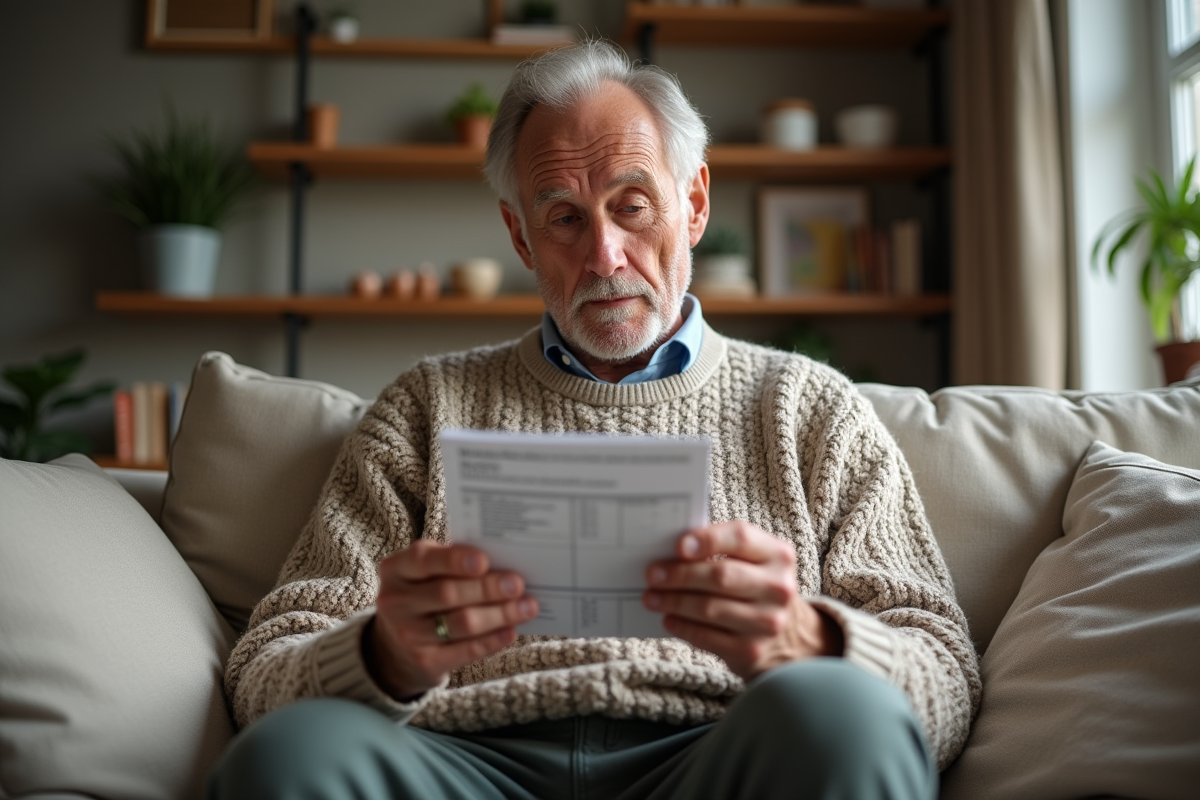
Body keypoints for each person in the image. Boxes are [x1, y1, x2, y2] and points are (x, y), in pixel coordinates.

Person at [209, 40, 979, 800]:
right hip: (465, 763)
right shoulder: (422, 408)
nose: (605, 254)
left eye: (632, 205)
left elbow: (942, 675)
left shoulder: (812, 410)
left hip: (724, 755)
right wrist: (383, 655)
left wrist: (812, 641)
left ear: (695, 203)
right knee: (285, 756)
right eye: (565, 219)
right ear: (521, 237)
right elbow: (265, 670)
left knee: (851, 719)